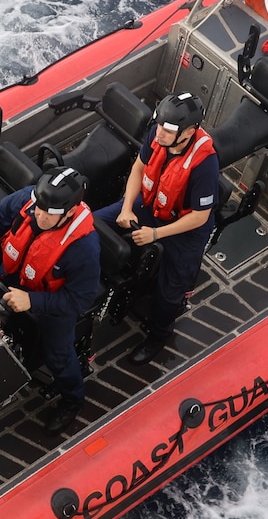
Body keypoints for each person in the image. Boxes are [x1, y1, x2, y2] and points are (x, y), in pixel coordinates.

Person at [0, 168, 101, 433]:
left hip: (53, 301)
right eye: (38, 208)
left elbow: (79, 300)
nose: (40, 215)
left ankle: (73, 399)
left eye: (49, 213)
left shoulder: (84, 248)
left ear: (70, 212)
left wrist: (33, 301)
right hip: (11, 278)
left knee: (58, 353)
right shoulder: (31, 200)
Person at [94, 92, 220, 366]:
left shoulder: (205, 165)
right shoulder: (158, 134)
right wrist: (127, 207)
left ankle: (159, 335)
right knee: (95, 223)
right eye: (159, 125)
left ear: (188, 133)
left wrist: (155, 235)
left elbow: (199, 216)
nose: (160, 132)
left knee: (168, 292)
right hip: (151, 205)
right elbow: (139, 169)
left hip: (184, 229)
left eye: (168, 129)